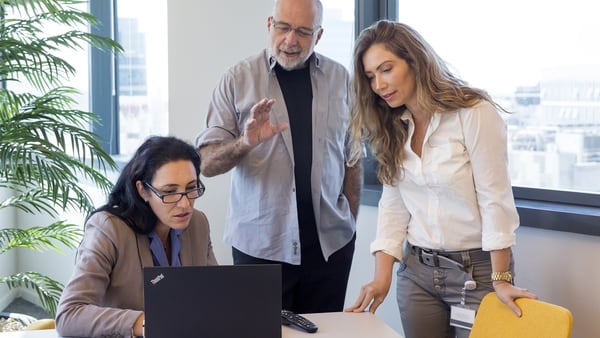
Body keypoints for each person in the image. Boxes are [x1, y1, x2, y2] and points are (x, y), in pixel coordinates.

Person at [344, 20, 537, 338]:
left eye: (386, 69)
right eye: (370, 76)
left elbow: (494, 197)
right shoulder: (395, 126)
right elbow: (393, 204)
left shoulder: (474, 112)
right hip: (418, 273)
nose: (378, 84)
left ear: (414, 61)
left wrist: (500, 277)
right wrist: (382, 277)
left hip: (477, 273)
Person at [196, 0, 361, 314]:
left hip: (330, 250)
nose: (291, 40)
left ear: (319, 35)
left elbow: (352, 158)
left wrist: (349, 222)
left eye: (303, 31)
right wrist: (245, 142)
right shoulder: (237, 79)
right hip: (260, 250)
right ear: (270, 24)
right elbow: (206, 162)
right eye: (284, 27)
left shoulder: (341, 80)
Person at [55, 136, 218, 337]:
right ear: (143, 190)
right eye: (170, 191)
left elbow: (213, 295)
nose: (185, 204)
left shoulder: (198, 223)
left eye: (191, 188)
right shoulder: (108, 229)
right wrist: (144, 323)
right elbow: (69, 315)